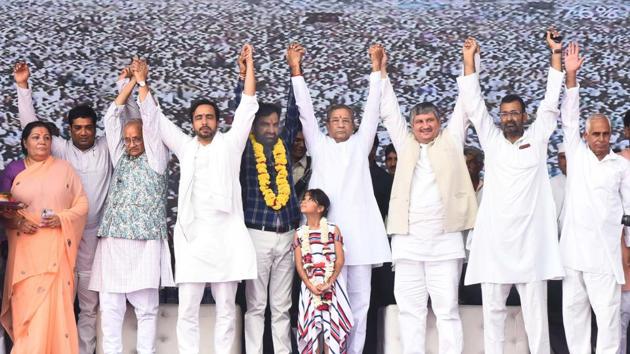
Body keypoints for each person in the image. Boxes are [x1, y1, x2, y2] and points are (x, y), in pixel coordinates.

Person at [459, 32, 565, 354]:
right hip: (495, 245)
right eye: (504, 113)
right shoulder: (490, 141)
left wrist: (556, 54)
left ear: (524, 116)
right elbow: (474, 105)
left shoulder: (538, 138)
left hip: (530, 245)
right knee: (493, 317)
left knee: (536, 319)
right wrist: (468, 61)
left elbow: (550, 101)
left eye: (514, 113)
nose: (509, 118)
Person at [148, 44, 258, 354]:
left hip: (226, 239)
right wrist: (143, 85)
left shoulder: (231, 144)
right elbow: (155, 119)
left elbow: (248, 104)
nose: (204, 122)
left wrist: (249, 65)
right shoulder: (184, 146)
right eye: (199, 118)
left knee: (225, 309)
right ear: (192, 123)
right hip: (194, 240)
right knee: (187, 311)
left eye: (209, 117)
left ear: (218, 121)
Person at [13, 61, 129, 354]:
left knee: (89, 304)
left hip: (93, 236)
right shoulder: (61, 150)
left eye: (89, 128)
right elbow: (32, 126)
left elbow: (126, 123)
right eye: (77, 129)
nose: (84, 133)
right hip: (57, 236)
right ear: (69, 131)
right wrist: (23, 87)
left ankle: (85, 351)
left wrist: (123, 87)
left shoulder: (106, 147)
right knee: (57, 299)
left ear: (95, 130)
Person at [290, 43, 392, 354]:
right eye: (335, 120)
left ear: (354, 125)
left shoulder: (361, 145)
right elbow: (305, 111)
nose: (341, 124)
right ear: (328, 124)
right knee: (324, 306)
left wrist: (377, 68)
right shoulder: (318, 146)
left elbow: (373, 108)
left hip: (360, 239)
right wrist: (297, 69)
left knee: (359, 306)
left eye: (346, 119)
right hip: (324, 242)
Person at [380, 40, 478, 353]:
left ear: (438, 124)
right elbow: (390, 111)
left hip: (445, 242)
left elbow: (465, 105)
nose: (425, 126)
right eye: (419, 122)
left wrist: (468, 62)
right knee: (411, 312)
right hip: (408, 242)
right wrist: (380, 71)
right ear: (412, 127)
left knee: (447, 311)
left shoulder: (451, 141)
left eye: (430, 121)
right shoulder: (405, 143)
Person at [88, 60, 175, 354]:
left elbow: (151, 121)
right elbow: (112, 117)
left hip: (145, 243)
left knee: (146, 310)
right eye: (128, 139)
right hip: (113, 240)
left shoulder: (157, 157)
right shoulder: (120, 155)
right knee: (110, 309)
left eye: (136, 138)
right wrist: (127, 84)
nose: (132, 142)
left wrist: (141, 83)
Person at [559, 41, 629, 353]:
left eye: (605, 133)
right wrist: (570, 75)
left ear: (611, 135)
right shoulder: (576, 155)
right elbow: (569, 117)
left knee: (609, 323)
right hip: (573, 256)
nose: (600, 138)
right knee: (575, 321)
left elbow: (629, 212)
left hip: (605, 258)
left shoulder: (621, 166)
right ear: (586, 136)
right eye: (595, 133)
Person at [234, 43, 303, 354]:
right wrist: (245, 74)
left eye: (275, 124)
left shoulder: (285, 145)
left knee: (282, 306)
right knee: (256, 305)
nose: (272, 129)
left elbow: (296, 111)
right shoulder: (245, 148)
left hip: (287, 234)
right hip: (256, 235)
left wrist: (295, 69)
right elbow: (242, 110)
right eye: (266, 124)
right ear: (255, 126)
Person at [0, 121, 88, 353]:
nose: (42, 141)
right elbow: (2, 206)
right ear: (25, 142)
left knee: (56, 311)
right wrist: (17, 220)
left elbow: (82, 204)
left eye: (46, 137)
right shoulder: (13, 171)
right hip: (24, 255)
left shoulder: (65, 169)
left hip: (56, 252)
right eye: (36, 137)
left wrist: (62, 218)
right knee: (28, 315)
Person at [294, 189, 352, 353]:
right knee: (312, 325)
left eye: (309, 199)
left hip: (331, 287)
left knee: (331, 326)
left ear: (320, 208)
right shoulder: (299, 233)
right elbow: (299, 264)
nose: (303, 201)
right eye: (303, 198)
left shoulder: (333, 229)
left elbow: (340, 260)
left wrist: (329, 282)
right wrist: (310, 284)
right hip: (309, 286)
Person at [550, 143, 567, 233]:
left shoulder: (587, 182)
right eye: (563, 157)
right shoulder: (551, 184)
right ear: (558, 160)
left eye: (570, 156)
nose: (567, 161)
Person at [292, 131, 312, 200]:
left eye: (305, 141)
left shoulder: (312, 166)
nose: (302, 145)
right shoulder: (275, 162)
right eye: (297, 140)